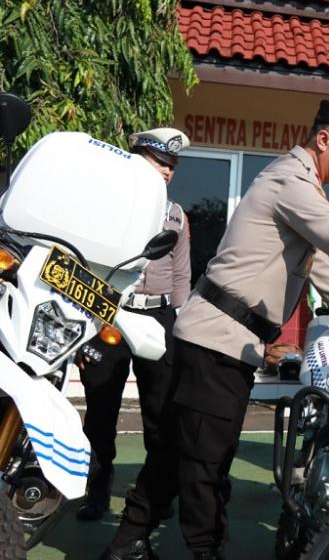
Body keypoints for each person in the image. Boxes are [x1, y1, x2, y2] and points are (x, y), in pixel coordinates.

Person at [100, 99, 329, 560]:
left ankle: (127, 543)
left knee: (177, 448)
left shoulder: (300, 186)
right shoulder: (291, 182)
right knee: (205, 461)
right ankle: (205, 551)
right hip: (217, 340)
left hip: (221, 339)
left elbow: (316, 261)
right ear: (323, 139)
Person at [77, 128, 192, 521]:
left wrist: (179, 327)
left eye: (172, 166)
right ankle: (96, 489)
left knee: (160, 412)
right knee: (100, 408)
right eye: (160, 162)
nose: (167, 171)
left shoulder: (176, 214)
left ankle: (155, 495)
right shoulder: (106, 206)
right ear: (137, 158)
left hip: (158, 317)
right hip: (110, 313)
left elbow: (181, 277)